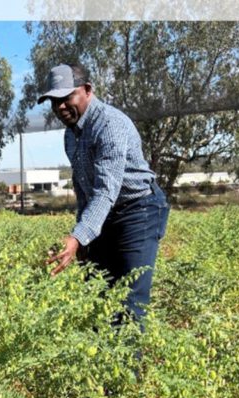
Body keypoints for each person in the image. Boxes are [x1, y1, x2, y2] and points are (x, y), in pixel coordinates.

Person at [40, 64, 169, 328]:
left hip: (138, 211)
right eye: (54, 101)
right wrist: (84, 236)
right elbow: (83, 186)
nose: (60, 107)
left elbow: (106, 190)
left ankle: (127, 368)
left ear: (87, 90)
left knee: (128, 301)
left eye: (66, 97)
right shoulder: (71, 135)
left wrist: (77, 236)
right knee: (97, 294)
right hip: (105, 214)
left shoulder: (110, 124)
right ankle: (101, 363)